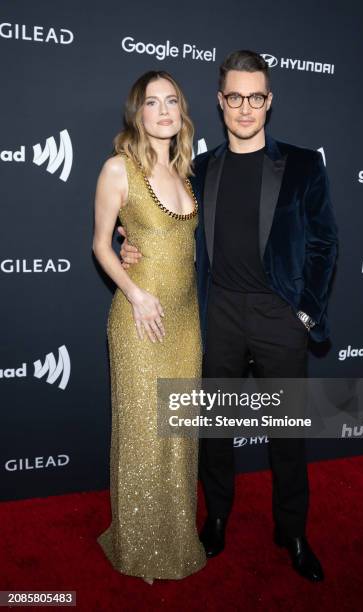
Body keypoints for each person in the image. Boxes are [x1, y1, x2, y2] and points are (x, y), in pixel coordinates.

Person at [120, 50, 338, 582]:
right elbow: (162, 220)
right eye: (235, 96)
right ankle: (215, 518)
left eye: (255, 97)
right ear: (220, 103)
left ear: (269, 101)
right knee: (214, 431)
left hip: (278, 318)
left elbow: (324, 245)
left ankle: (291, 531)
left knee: (287, 434)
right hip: (216, 316)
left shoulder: (305, 164)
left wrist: (303, 315)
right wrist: (131, 240)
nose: (245, 107)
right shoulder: (200, 166)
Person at [92, 70, 207, 584]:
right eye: (152, 102)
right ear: (137, 112)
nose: (164, 111)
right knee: (142, 432)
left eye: (172, 101)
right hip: (139, 320)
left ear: (182, 111)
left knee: (179, 433)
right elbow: (100, 244)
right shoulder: (120, 168)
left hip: (186, 321)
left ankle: (179, 536)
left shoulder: (187, 172)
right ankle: (138, 546)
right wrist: (135, 293)